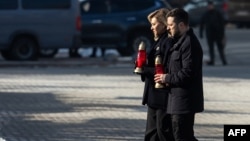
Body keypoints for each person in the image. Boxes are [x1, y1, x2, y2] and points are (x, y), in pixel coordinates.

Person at [154, 8, 204, 141]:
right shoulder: (179, 42)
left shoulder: (189, 44)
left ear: (181, 25)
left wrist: (166, 77)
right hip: (176, 100)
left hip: (184, 102)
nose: (168, 28)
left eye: (171, 25)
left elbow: (188, 73)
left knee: (182, 137)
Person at [137, 8, 174, 141]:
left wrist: (144, 69)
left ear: (164, 24)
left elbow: (165, 69)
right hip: (153, 96)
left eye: (154, 24)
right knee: (151, 135)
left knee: (163, 133)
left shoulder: (167, 42)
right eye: (151, 24)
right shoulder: (158, 41)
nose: (151, 28)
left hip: (162, 96)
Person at [200, 0, 227, 66]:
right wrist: (201, 33)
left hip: (218, 34)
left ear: (213, 6)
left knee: (220, 48)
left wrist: (223, 34)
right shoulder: (206, 14)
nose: (210, 7)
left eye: (211, 6)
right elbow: (202, 24)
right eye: (209, 6)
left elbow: (222, 24)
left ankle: (223, 61)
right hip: (209, 34)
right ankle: (212, 60)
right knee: (211, 48)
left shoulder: (217, 13)